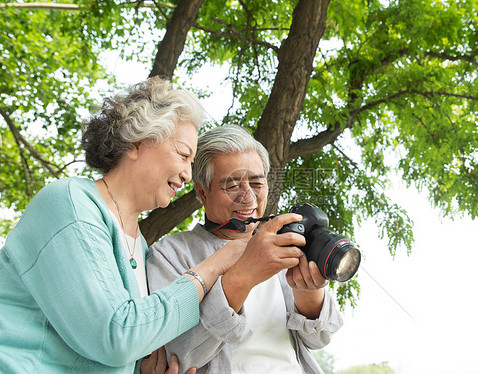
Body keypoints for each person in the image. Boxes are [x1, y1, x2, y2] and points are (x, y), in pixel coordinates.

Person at [0, 77, 245, 373]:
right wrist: (211, 267)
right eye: (183, 155)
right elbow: (117, 336)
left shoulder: (138, 244)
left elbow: (120, 345)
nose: (187, 174)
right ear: (138, 142)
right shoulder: (70, 204)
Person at [147, 125, 344, 374]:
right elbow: (172, 357)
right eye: (232, 186)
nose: (248, 197)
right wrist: (244, 276)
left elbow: (319, 339)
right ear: (202, 192)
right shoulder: (170, 254)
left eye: (256, 183)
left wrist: (308, 292)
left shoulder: (282, 242)